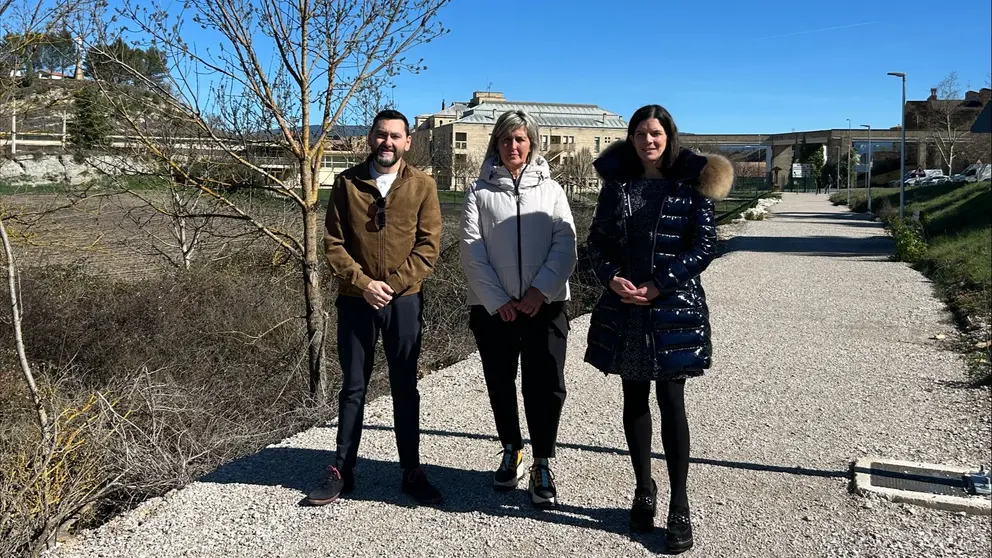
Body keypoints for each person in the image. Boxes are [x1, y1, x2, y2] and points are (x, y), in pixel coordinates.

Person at [584, 105, 733, 552]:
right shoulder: (618, 185)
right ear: (631, 138)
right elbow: (598, 241)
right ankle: (643, 490)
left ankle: (679, 506)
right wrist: (612, 277)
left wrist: (660, 285)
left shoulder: (692, 180)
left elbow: (705, 245)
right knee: (634, 399)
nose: (649, 140)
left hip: (672, 309)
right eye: (641, 133)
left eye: (656, 133)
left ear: (669, 136)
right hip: (627, 308)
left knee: (671, 402)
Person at [307, 109, 443, 506]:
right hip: (355, 300)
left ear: (407, 142)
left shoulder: (423, 186)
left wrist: (394, 286)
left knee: (405, 387)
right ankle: (342, 470)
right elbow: (333, 243)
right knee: (353, 387)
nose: (387, 142)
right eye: (381, 134)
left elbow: (429, 245)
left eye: (395, 136)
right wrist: (364, 285)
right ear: (370, 138)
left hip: (403, 302)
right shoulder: (347, 183)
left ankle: (411, 470)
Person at [460, 110, 577, 509]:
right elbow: (472, 251)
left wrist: (539, 292)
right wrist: (499, 300)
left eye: (521, 139)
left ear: (532, 143)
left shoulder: (553, 191)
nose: (514, 146)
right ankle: (512, 448)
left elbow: (566, 244)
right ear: (497, 143)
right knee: (500, 380)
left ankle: (543, 459)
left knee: (546, 384)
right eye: (507, 139)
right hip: (495, 309)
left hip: (546, 306)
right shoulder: (478, 192)